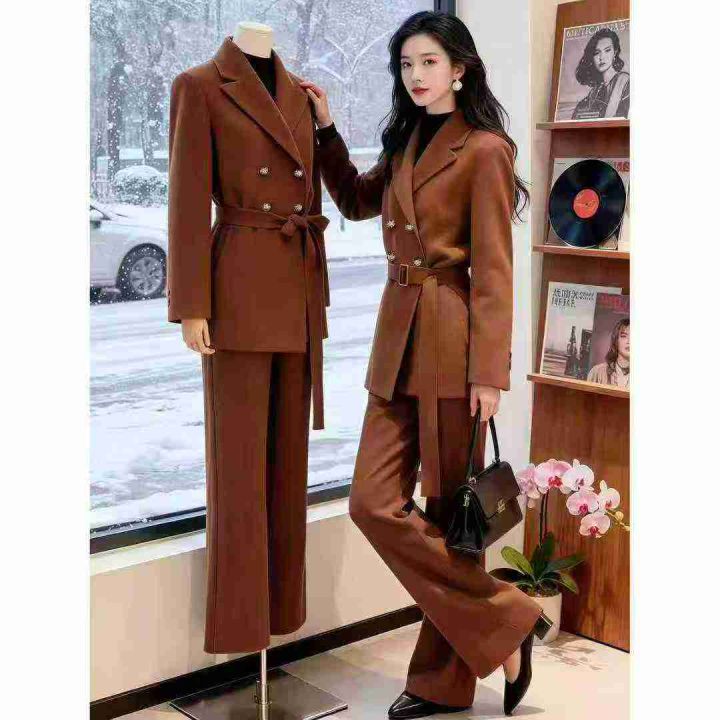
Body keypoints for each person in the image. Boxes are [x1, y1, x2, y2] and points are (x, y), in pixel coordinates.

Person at [301, 10, 552, 719]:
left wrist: (489, 374)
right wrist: (325, 133)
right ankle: (509, 619)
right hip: (397, 337)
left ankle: (443, 683)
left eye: (430, 62)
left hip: (451, 336)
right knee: (372, 502)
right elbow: (356, 201)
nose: (416, 75)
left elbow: (495, 271)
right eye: (407, 64)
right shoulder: (408, 138)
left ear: (460, 70)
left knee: (449, 514)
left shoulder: (485, 150)